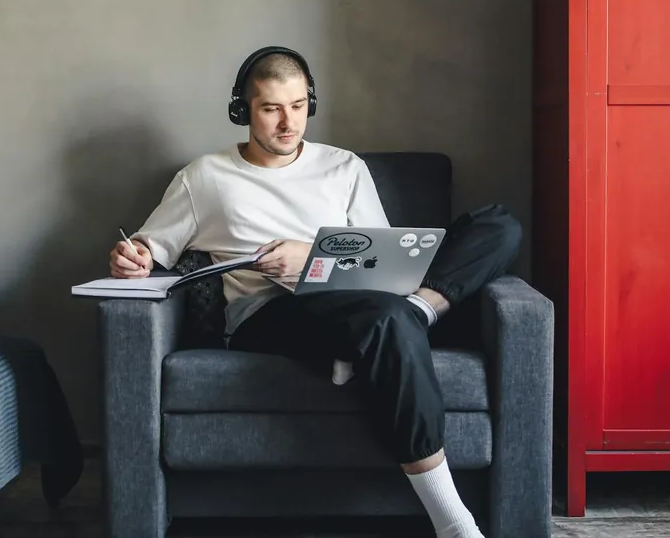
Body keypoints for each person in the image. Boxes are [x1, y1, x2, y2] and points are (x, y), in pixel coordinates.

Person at [108, 46, 521, 538]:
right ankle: (453, 523)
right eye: (271, 108)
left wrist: (313, 259)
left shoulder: (344, 167)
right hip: (269, 313)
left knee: (499, 225)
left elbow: (383, 261)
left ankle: (416, 312)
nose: (288, 123)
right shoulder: (205, 177)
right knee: (385, 320)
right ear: (242, 109)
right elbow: (151, 249)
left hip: (364, 301)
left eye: (299, 106)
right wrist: (131, 257)